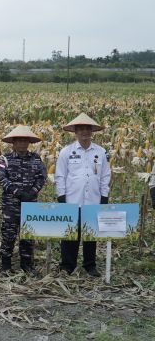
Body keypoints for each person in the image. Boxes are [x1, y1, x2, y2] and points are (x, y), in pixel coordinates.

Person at [55, 113, 111, 276]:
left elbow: (105, 175)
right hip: (72, 199)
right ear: (75, 132)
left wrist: (104, 196)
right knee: (70, 233)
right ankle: (67, 265)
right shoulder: (66, 152)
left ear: (92, 131)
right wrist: (61, 196)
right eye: (81, 129)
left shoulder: (100, 152)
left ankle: (89, 265)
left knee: (90, 234)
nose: (85, 132)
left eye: (88, 129)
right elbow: (60, 175)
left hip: (93, 199)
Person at [0, 125, 47, 273]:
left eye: (25, 141)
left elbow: (42, 177)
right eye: (19, 141)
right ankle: (5, 265)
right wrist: (17, 192)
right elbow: (0, 177)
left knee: (28, 234)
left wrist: (33, 191)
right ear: (13, 143)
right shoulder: (5, 158)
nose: (22, 143)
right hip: (11, 204)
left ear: (29, 142)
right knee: (8, 234)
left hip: (30, 203)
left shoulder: (36, 159)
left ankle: (26, 264)